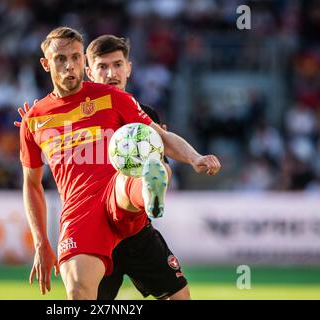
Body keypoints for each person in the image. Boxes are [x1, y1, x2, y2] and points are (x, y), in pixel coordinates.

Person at [19, 26, 220, 300]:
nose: (70, 66)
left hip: (120, 200)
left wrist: (195, 158)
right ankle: (150, 186)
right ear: (45, 64)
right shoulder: (33, 120)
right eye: (61, 59)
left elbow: (162, 138)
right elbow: (31, 184)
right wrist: (41, 242)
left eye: (76, 57)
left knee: (131, 175)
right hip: (81, 213)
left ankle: (150, 190)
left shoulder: (114, 98)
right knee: (79, 293)